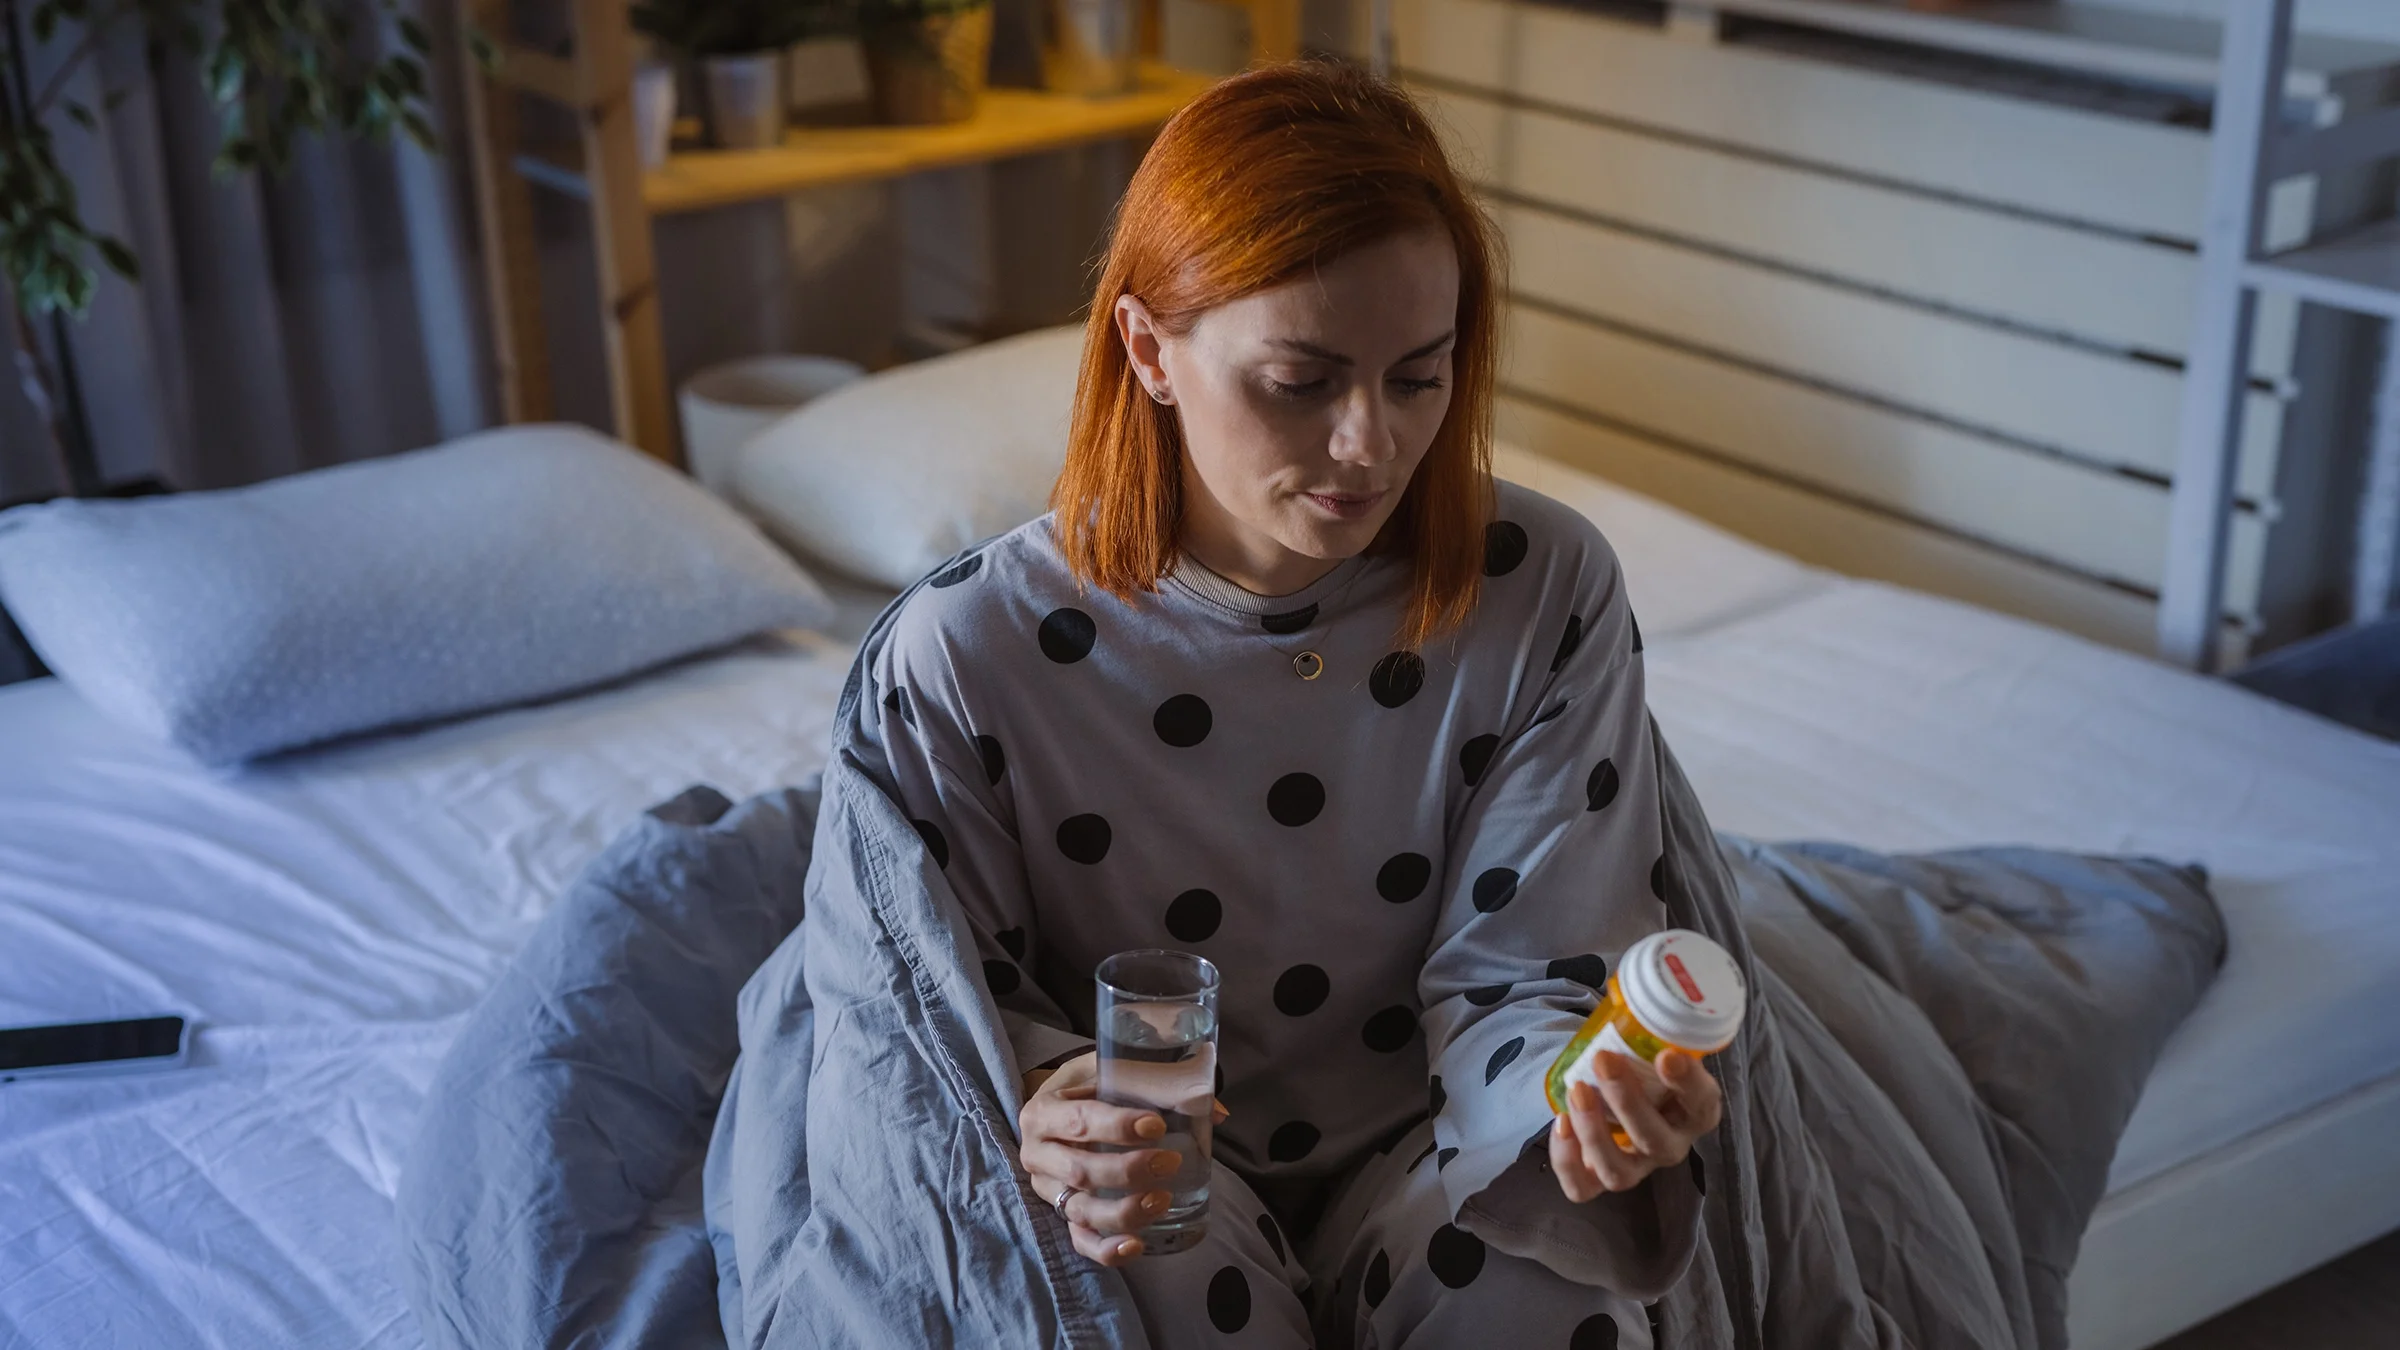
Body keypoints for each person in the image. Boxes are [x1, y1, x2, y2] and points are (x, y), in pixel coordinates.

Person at [858, 59, 1722, 1348]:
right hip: (1150, 1164)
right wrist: (1051, 1103)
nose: (1371, 445)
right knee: (1125, 1257)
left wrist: (1582, 1100)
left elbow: (1527, 968)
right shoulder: (968, 654)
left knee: (1556, 1261)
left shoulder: (1543, 588)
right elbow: (942, 1022)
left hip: (1436, 1133)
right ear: (1149, 350)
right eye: (1302, 382)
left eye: (1419, 377)